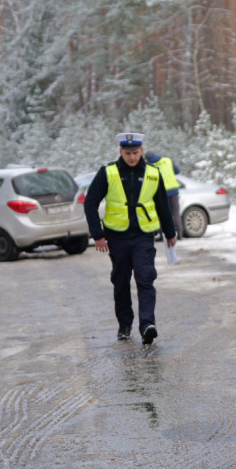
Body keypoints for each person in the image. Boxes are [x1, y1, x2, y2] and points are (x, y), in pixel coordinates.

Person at [84, 133, 177, 345]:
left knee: (145, 278)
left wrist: (170, 233)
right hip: (117, 237)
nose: (132, 157)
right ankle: (124, 325)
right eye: (128, 153)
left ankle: (147, 325)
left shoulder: (153, 173)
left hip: (143, 236)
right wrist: (97, 235)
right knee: (121, 282)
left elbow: (163, 205)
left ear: (142, 151)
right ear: (120, 152)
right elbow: (90, 202)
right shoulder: (108, 172)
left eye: (135, 153)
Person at [146, 151, 182, 238]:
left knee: (160, 213)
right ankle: (180, 234)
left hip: (161, 193)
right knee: (175, 213)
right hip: (173, 191)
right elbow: (177, 171)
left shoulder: (150, 165)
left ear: (147, 159)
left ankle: (161, 235)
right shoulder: (167, 160)